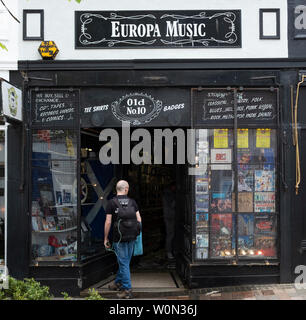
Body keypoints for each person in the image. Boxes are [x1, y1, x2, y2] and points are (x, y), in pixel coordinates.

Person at [104, 180, 142, 299]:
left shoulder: (111, 203)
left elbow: (108, 222)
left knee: (123, 262)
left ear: (116, 189)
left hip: (119, 238)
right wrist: (137, 234)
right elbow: (139, 220)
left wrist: (105, 238)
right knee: (125, 262)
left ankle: (127, 289)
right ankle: (117, 283)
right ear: (126, 189)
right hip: (132, 236)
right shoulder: (133, 202)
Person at [162, 181, 176, 260]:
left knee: (170, 235)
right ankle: (169, 252)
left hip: (168, 216)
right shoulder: (169, 195)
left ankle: (170, 251)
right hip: (170, 217)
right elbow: (172, 205)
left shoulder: (166, 194)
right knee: (170, 235)